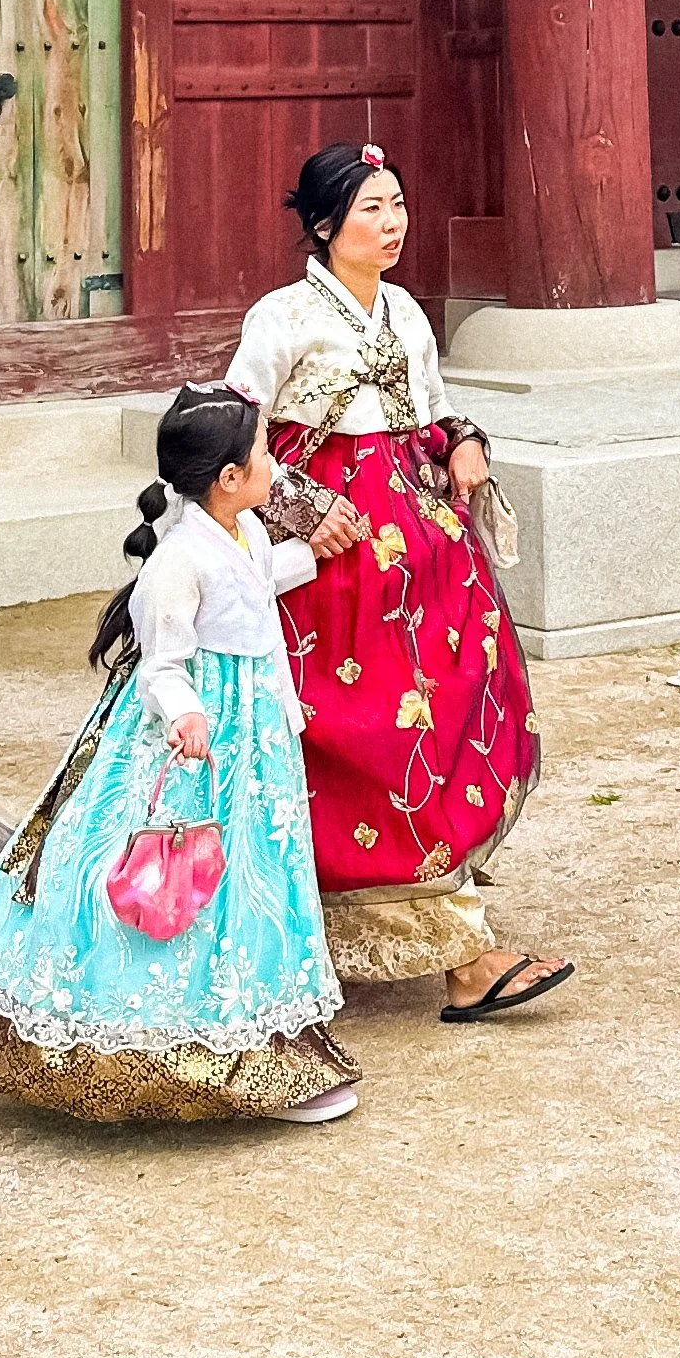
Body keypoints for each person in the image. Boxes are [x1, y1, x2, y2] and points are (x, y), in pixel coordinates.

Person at [0, 382, 360, 1123]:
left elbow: (249, 583)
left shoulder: (238, 531)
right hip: (202, 741)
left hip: (253, 735)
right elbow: (161, 663)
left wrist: (302, 554)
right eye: (260, 455)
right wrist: (186, 716)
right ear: (226, 478)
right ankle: (186, 1043)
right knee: (192, 874)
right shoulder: (176, 559)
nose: (270, 465)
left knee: (255, 868)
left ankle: (260, 1041)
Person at [231, 140, 572, 1021]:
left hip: (424, 554)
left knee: (443, 715)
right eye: (371, 208)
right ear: (322, 224)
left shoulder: (407, 312)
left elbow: (428, 407)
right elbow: (229, 434)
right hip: (331, 569)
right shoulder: (281, 316)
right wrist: (303, 508)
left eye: (398, 204)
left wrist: (461, 438)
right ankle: (450, 951)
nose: (392, 224)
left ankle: (437, 912)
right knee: (359, 734)